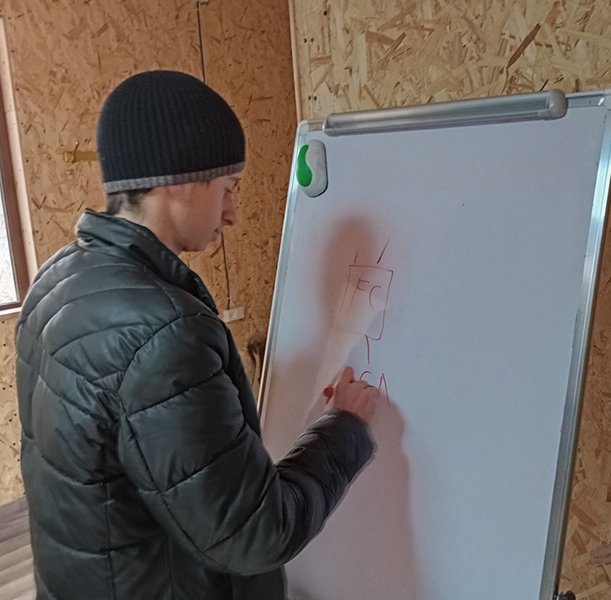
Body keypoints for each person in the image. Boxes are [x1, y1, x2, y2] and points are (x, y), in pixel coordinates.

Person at [15, 70, 378, 600]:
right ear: (181, 182)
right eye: (227, 188)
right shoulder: (164, 332)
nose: (232, 214)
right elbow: (255, 535)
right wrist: (345, 427)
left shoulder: (57, 279)